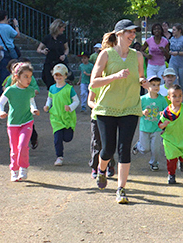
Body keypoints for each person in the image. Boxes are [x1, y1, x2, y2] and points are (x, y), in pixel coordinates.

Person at [90, 19, 147, 204]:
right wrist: (114, 76)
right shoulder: (105, 55)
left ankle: (121, 189)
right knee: (107, 149)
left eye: (134, 33)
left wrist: (143, 83)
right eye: (129, 32)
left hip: (130, 107)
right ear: (119, 33)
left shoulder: (137, 56)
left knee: (124, 149)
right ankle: (101, 169)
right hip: (107, 108)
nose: (133, 36)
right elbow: (93, 83)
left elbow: (140, 77)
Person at [0, 62, 39, 181]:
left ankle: (23, 168)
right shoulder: (10, 90)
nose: (29, 79)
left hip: (27, 122)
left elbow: (32, 103)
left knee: (23, 146)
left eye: (30, 76)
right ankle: (14, 170)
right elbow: (0, 104)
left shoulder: (30, 90)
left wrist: (34, 110)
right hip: (13, 124)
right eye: (25, 76)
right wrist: (0, 113)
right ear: (17, 77)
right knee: (14, 149)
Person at [158, 85, 183, 184]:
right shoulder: (166, 111)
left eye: (180, 96)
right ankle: (171, 175)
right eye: (174, 96)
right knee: (171, 159)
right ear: (169, 98)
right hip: (170, 139)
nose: (178, 98)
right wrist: (164, 124)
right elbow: (160, 125)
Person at [43, 63, 78, 166]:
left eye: (60, 75)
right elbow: (49, 99)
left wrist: (70, 107)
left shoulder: (69, 89)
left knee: (67, 138)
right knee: (57, 138)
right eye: (56, 75)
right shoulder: (52, 88)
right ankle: (59, 157)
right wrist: (47, 106)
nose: (58, 77)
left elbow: (76, 101)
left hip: (67, 118)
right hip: (56, 117)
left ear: (65, 76)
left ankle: (65, 135)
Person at [132, 75, 168, 171]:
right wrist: (142, 112)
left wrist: (163, 114)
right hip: (145, 128)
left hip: (157, 128)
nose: (156, 87)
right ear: (147, 86)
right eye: (153, 85)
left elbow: (166, 111)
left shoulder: (161, 99)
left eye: (158, 85)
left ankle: (154, 163)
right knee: (145, 149)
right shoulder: (142, 99)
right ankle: (138, 146)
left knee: (155, 149)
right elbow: (136, 110)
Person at [37, 19, 69, 90]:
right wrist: (43, 51)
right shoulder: (47, 38)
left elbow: (66, 49)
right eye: (62, 27)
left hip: (60, 62)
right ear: (58, 27)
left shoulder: (63, 38)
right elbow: (38, 49)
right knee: (48, 81)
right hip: (49, 62)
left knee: (60, 81)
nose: (63, 29)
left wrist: (64, 55)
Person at [0, 11, 19, 94]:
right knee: (9, 69)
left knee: (1, 70)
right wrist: (16, 25)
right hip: (8, 50)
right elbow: (17, 34)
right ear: (5, 17)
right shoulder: (7, 27)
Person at [168, 24, 183, 102]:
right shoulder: (172, 39)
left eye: (174, 30)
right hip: (173, 62)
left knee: (181, 82)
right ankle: (173, 97)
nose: (172, 32)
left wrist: (177, 53)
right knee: (172, 80)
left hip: (182, 64)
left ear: (179, 31)